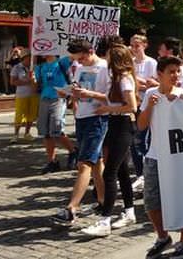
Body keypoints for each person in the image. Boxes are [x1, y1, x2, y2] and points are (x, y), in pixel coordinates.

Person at [51, 39, 110, 225]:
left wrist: (90, 95)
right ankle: (103, 201)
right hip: (82, 118)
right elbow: (78, 89)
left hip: (97, 118)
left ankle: (72, 208)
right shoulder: (81, 68)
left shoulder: (105, 67)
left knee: (84, 163)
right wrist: (68, 93)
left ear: (91, 51)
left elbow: (114, 97)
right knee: (97, 163)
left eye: (82, 58)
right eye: (76, 59)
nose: (80, 62)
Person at [138, 56, 183, 259]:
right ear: (159, 74)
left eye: (178, 71)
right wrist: (151, 105)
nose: (176, 75)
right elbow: (141, 125)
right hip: (154, 156)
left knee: (180, 200)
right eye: (171, 71)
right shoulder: (151, 94)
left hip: (179, 158)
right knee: (151, 202)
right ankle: (162, 236)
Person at [82, 44, 139, 236]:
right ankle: (129, 211)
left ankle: (105, 219)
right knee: (121, 171)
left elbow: (131, 106)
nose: (105, 61)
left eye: (108, 58)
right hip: (115, 124)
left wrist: (107, 109)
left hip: (123, 125)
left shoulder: (124, 79)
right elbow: (113, 101)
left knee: (110, 172)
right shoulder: (117, 79)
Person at [34, 53, 77, 173]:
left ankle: (73, 151)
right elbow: (37, 84)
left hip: (58, 98)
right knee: (46, 132)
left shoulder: (62, 62)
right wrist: (32, 79)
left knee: (56, 129)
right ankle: (52, 161)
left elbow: (73, 56)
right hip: (44, 99)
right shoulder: (40, 67)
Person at [130, 34, 158, 193]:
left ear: (144, 45)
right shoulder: (131, 63)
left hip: (146, 104)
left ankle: (146, 173)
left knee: (144, 139)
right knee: (134, 141)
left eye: (137, 45)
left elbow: (152, 84)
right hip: (135, 103)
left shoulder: (151, 62)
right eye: (132, 45)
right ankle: (139, 172)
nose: (134, 48)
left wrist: (138, 84)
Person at [10, 48, 38, 143]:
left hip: (34, 94)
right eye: (30, 58)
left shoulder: (35, 67)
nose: (32, 60)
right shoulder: (17, 67)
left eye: (32, 58)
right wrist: (26, 81)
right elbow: (13, 82)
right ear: (24, 58)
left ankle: (27, 133)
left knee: (31, 115)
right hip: (22, 95)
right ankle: (15, 135)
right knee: (19, 115)